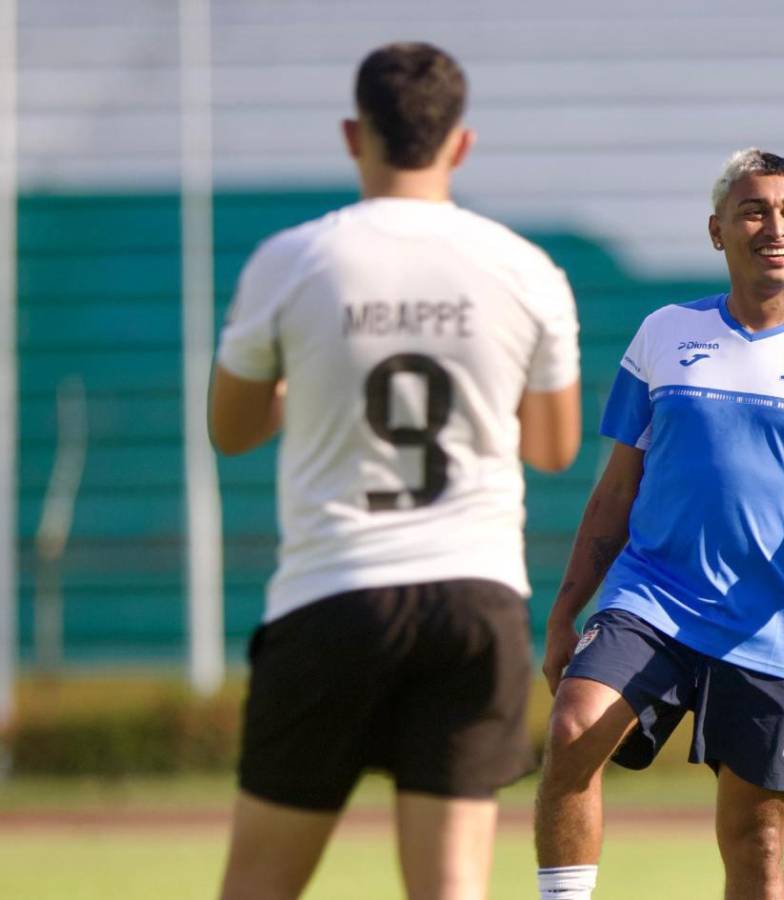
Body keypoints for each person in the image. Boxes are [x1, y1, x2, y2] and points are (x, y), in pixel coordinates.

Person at [209, 42, 581, 900]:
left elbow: (230, 431)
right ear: (462, 143)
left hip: (331, 595)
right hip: (475, 599)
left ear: (354, 134)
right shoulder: (525, 269)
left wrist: (297, 390)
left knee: (257, 887)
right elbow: (553, 449)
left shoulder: (291, 261)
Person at [533, 149, 784, 900]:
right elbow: (613, 494)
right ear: (717, 230)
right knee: (574, 732)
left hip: (773, 624)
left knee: (755, 842)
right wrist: (565, 610)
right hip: (653, 600)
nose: (776, 226)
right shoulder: (664, 334)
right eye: (754, 210)